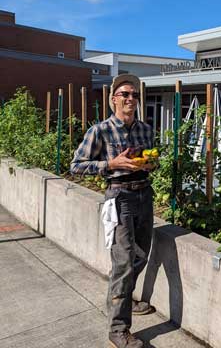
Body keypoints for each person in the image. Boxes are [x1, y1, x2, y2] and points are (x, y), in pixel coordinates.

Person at [70, 74, 155, 348]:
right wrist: (109, 164)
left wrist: (149, 164)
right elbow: (76, 166)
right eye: (125, 94)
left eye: (135, 95)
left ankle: (125, 296)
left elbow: (151, 157)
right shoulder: (101, 130)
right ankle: (118, 329)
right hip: (120, 197)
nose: (131, 99)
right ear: (114, 99)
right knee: (123, 262)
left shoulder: (145, 129)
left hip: (144, 193)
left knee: (141, 254)